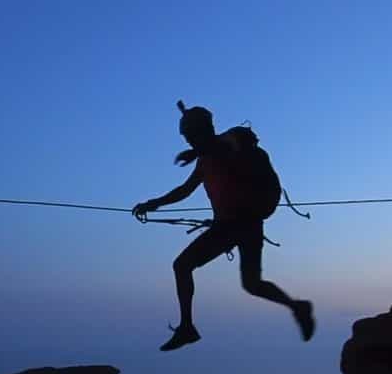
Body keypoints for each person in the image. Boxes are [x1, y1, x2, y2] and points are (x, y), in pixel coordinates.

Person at [133, 103, 315, 351]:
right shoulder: (207, 157)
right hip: (248, 225)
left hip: (232, 225)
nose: (188, 141)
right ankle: (297, 307)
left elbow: (217, 150)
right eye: (186, 137)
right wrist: (154, 203)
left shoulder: (227, 147)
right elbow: (185, 190)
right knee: (252, 284)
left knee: (182, 266)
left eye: (190, 135)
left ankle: (187, 328)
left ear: (202, 130)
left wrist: (154, 201)